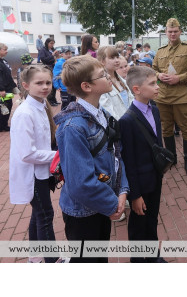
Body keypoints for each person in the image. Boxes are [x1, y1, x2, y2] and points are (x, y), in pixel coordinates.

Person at [54, 55, 130, 263]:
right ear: (87, 86)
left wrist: (121, 191)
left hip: (101, 204)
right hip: (83, 213)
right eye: (103, 75)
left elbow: (116, 153)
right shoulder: (72, 128)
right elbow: (81, 184)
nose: (108, 77)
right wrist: (112, 203)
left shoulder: (101, 113)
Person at [9, 65, 62, 263]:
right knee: (45, 214)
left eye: (48, 82)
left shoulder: (40, 105)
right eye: (39, 83)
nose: (45, 87)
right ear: (25, 85)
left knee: (38, 213)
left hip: (41, 170)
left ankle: (36, 256)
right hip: (32, 173)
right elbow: (27, 154)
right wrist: (58, 156)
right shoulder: (25, 113)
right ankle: (52, 260)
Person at [119, 66, 166, 263]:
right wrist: (135, 195)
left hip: (155, 177)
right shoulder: (127, 120)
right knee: (139, 223)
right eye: (152, 84)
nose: (157, 87)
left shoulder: (154, 110)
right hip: (140, 182)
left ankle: (153, 256)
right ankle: (138, 259)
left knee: (152, 218)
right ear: (136, 89)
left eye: (157, 83)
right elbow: (128, 161)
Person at [152, 18, 187, 178]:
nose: (172, 34)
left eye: (175, 31)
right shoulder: (160, 51)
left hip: (182, 97)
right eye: (170, 31)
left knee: (186, 129)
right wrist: (159, 75)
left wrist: (179, 78)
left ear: (180, 32)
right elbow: (152, 70)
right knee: (166, 129)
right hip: (163, 98)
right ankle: (172, 158)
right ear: (166, 33)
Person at [97, 46, 134, 121]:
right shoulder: (101, 83)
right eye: (112, 58)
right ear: (102, 61)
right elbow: (107, 109)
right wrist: (122, 123)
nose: (117, 60)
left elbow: (131, 100)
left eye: (117, 57)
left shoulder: (121, 80)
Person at [0, 43, 18, 131]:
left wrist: (14, 86)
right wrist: (1, 89)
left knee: (8, 106)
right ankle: (2, 126)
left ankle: (4, 125)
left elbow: (8, 75)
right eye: (4, 49)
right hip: (2, 90)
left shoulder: (4, 61)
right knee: (4, 106)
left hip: (7, 88)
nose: (6, 51)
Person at [38, 38, 60, 106]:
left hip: (54, 68)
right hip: (48, 68)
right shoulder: (43, 50)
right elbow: (43, 59)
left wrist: (57, 55)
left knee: (54, 84)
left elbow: (55, 58)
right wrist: (52, 55)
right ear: (47, 43)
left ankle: (54, 99)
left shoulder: (52, 49)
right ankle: (50, 100)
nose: (52, 45)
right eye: (51, 43)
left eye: (53, 43)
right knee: (50, 84)